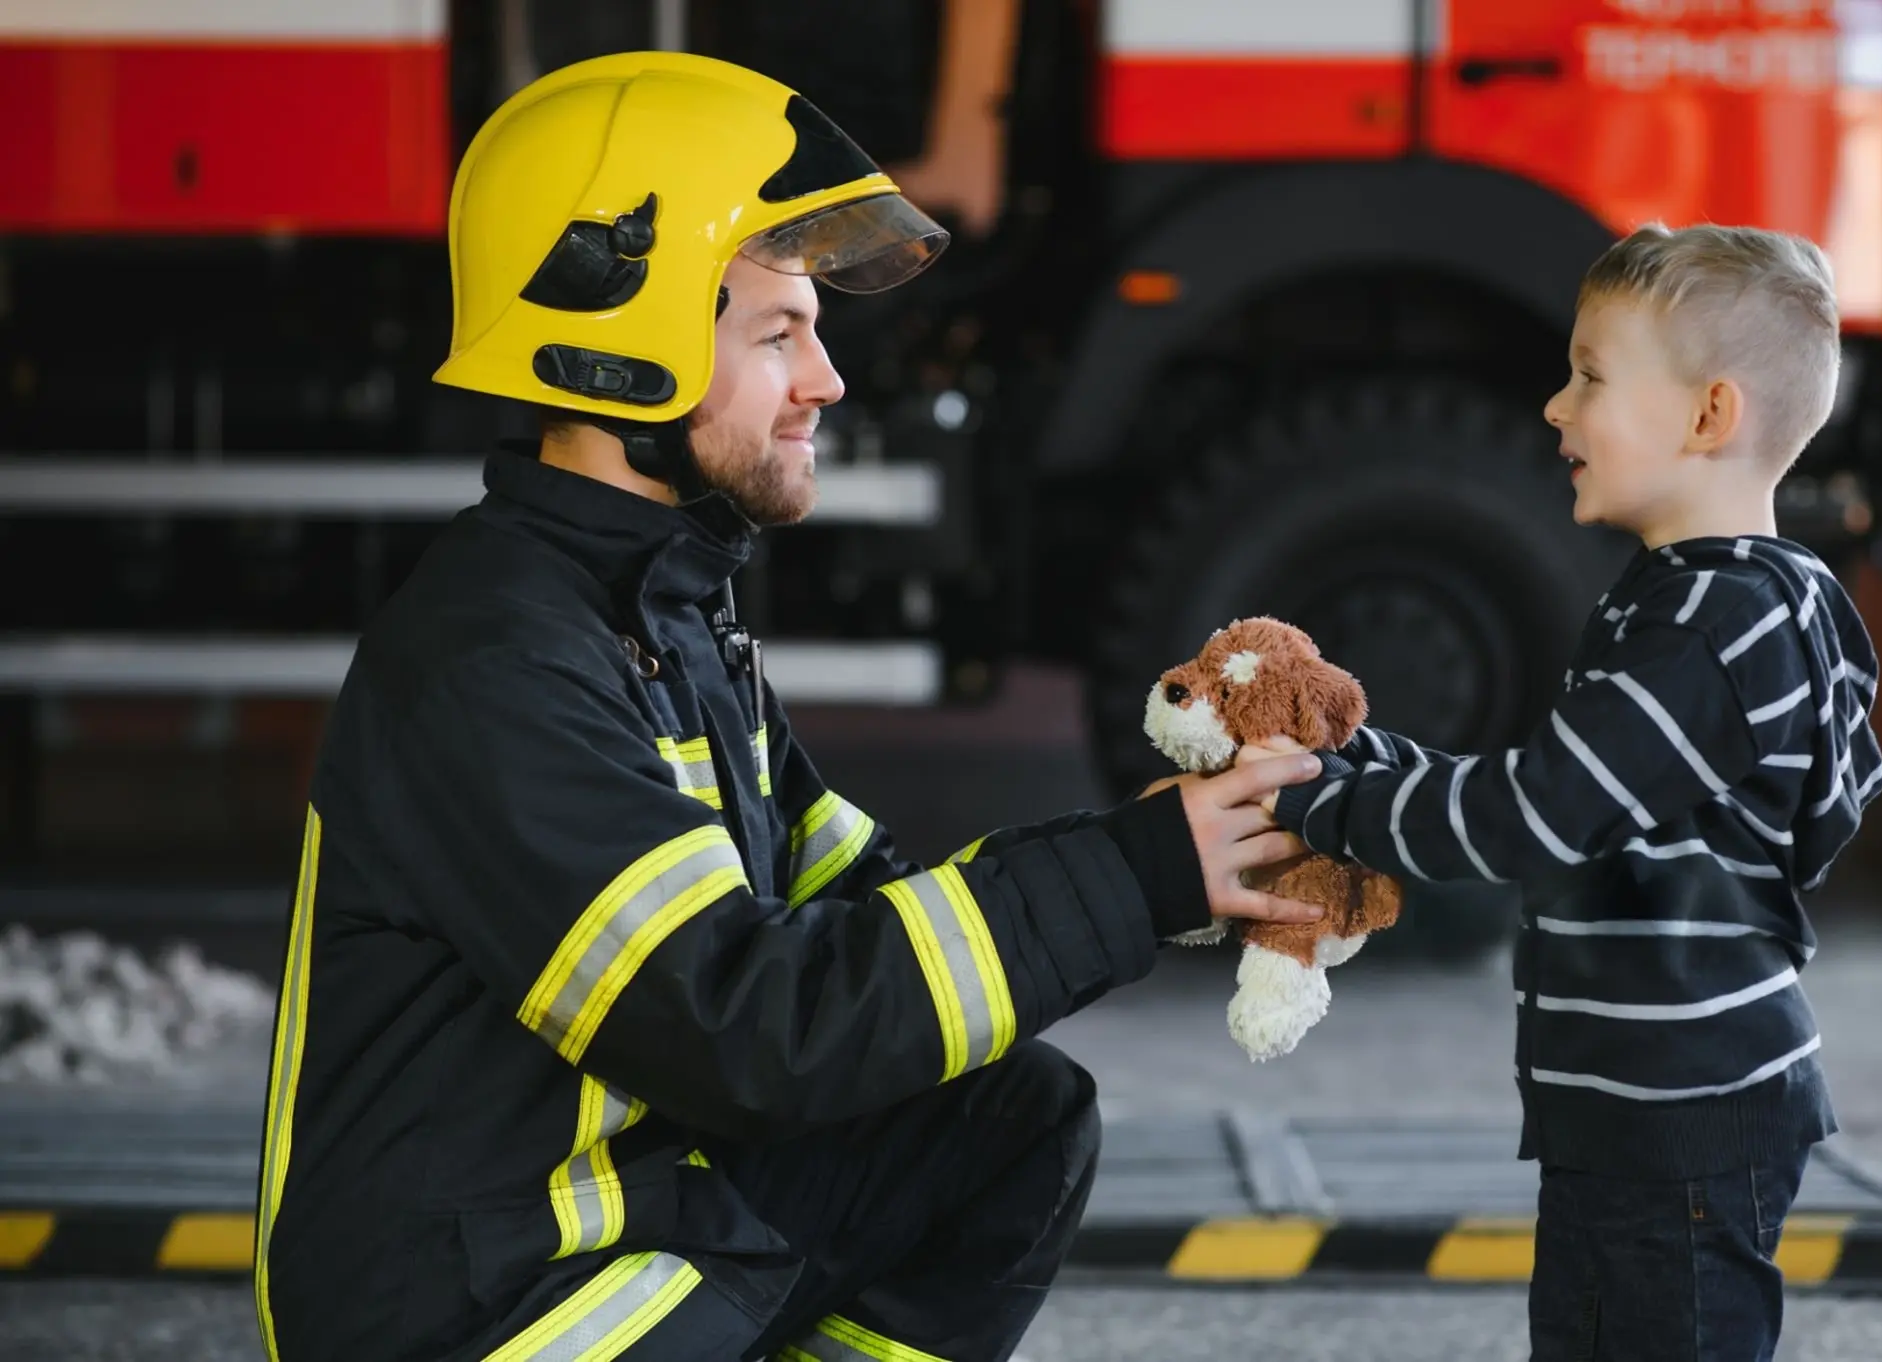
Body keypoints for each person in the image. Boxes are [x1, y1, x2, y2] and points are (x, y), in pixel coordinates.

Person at [252, 52, 1322, 1362]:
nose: (828, 379)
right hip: (486, 1311)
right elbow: (750, 1026)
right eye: (778, 333)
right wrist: (1132, 875)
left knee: (1005, 1120)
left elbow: (862, 916)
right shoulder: (497, 661)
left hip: (606, 1235)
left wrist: (1185, 850)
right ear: (616, 350)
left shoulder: (656, 613)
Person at [1241, 223, 1882, 1360]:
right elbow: (1562, 793)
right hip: (1634, 1112)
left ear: (1706, 417)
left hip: (1679, 1121)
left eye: (1589, 376)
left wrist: (1316, 802)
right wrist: (1354, 761)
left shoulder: (1713, 625)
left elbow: (1529, 816)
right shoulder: (1697, 597)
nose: (1553, 407)